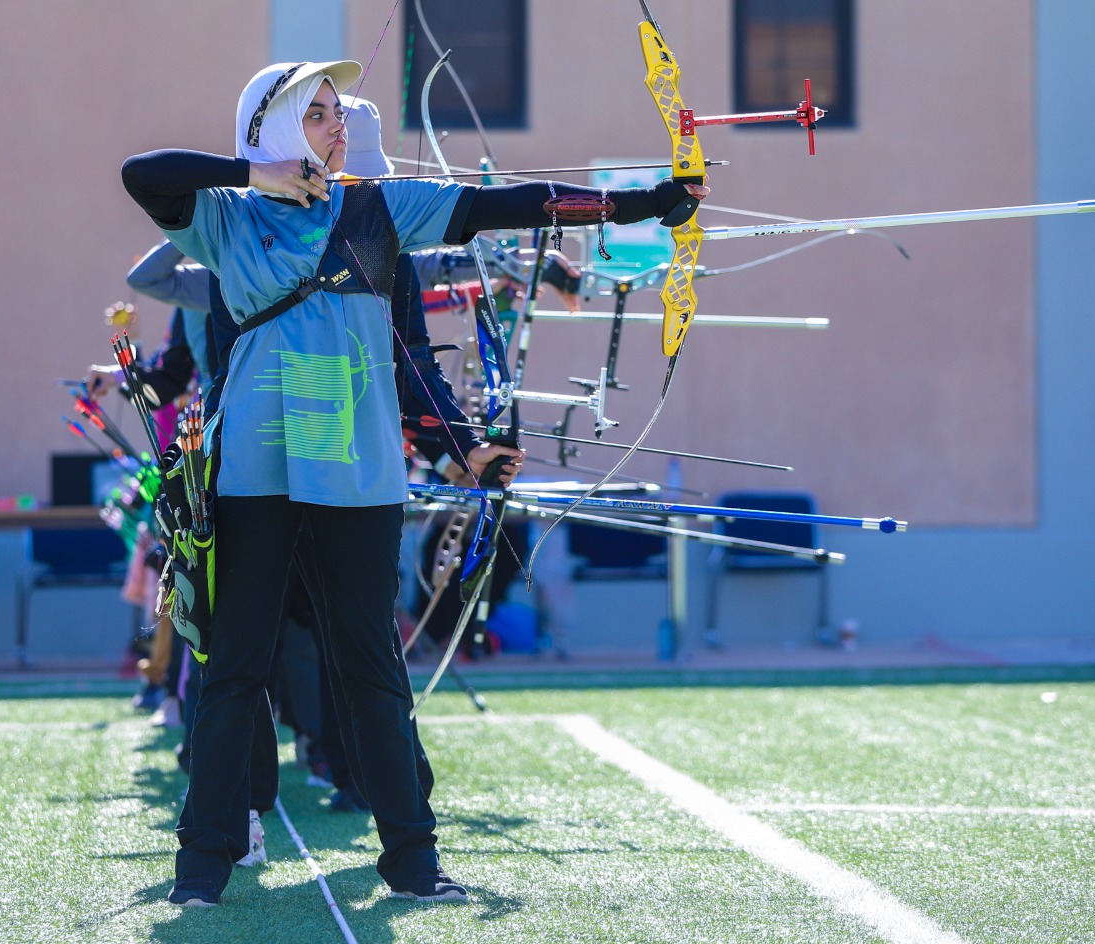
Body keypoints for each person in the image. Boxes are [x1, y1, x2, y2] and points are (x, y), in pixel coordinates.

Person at [121, 57, 706, 908]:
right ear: (270, 130)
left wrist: (640, 204)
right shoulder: (225, 218)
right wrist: (260, 172)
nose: (335, 125)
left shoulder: (380, 206)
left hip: (356, 476)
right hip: (253, 474)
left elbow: (515, 204)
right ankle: (201, 868)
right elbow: (144, 174)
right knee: (234, 670)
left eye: (334, 112)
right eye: (314, 114)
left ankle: (413, 863)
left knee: (373, 672)